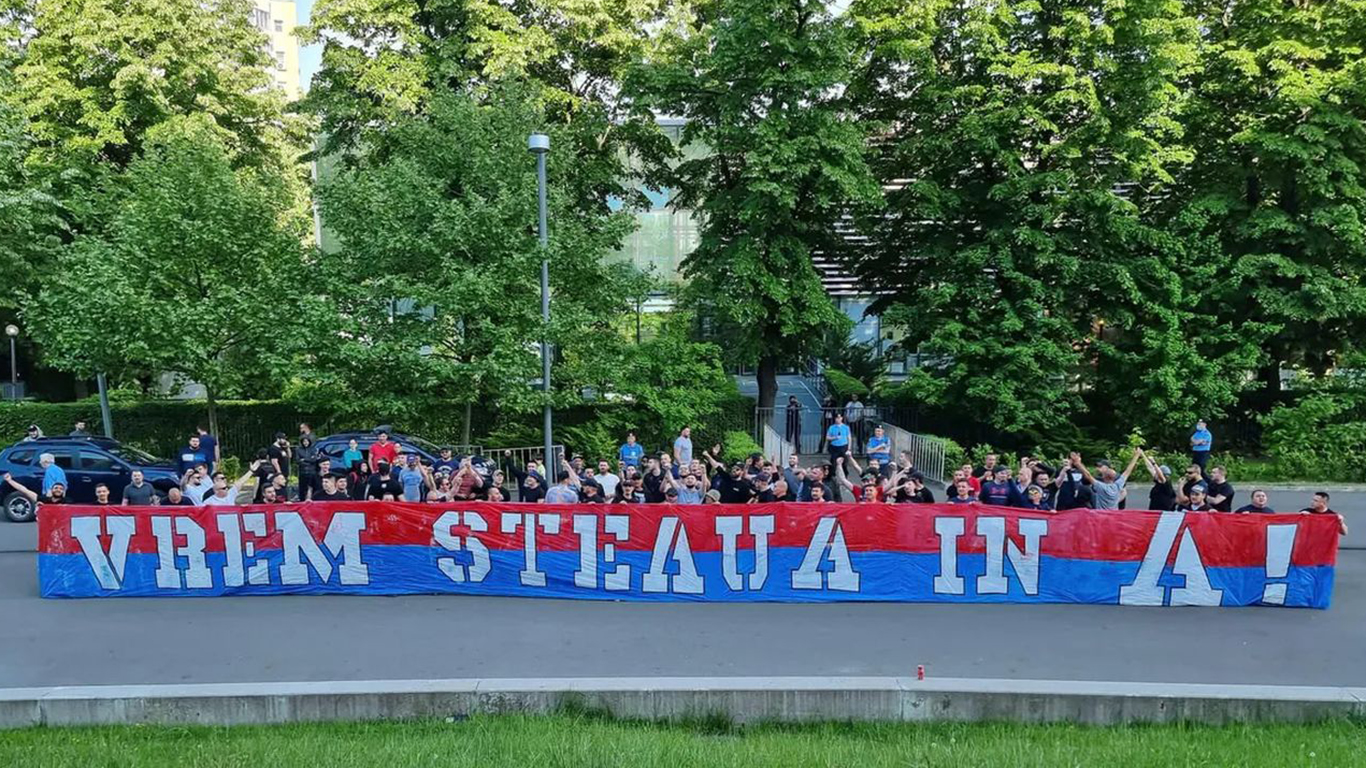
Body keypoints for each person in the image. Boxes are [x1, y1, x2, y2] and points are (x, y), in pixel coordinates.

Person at [1075, 450, 1141, 511]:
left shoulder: (1101, 486)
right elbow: (1128, 471)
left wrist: (1078, 463)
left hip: (1101, 514)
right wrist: (1136, 456)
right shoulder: (1117, 485)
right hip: (1113, 514)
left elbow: (1087, 475)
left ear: (1104, 477)